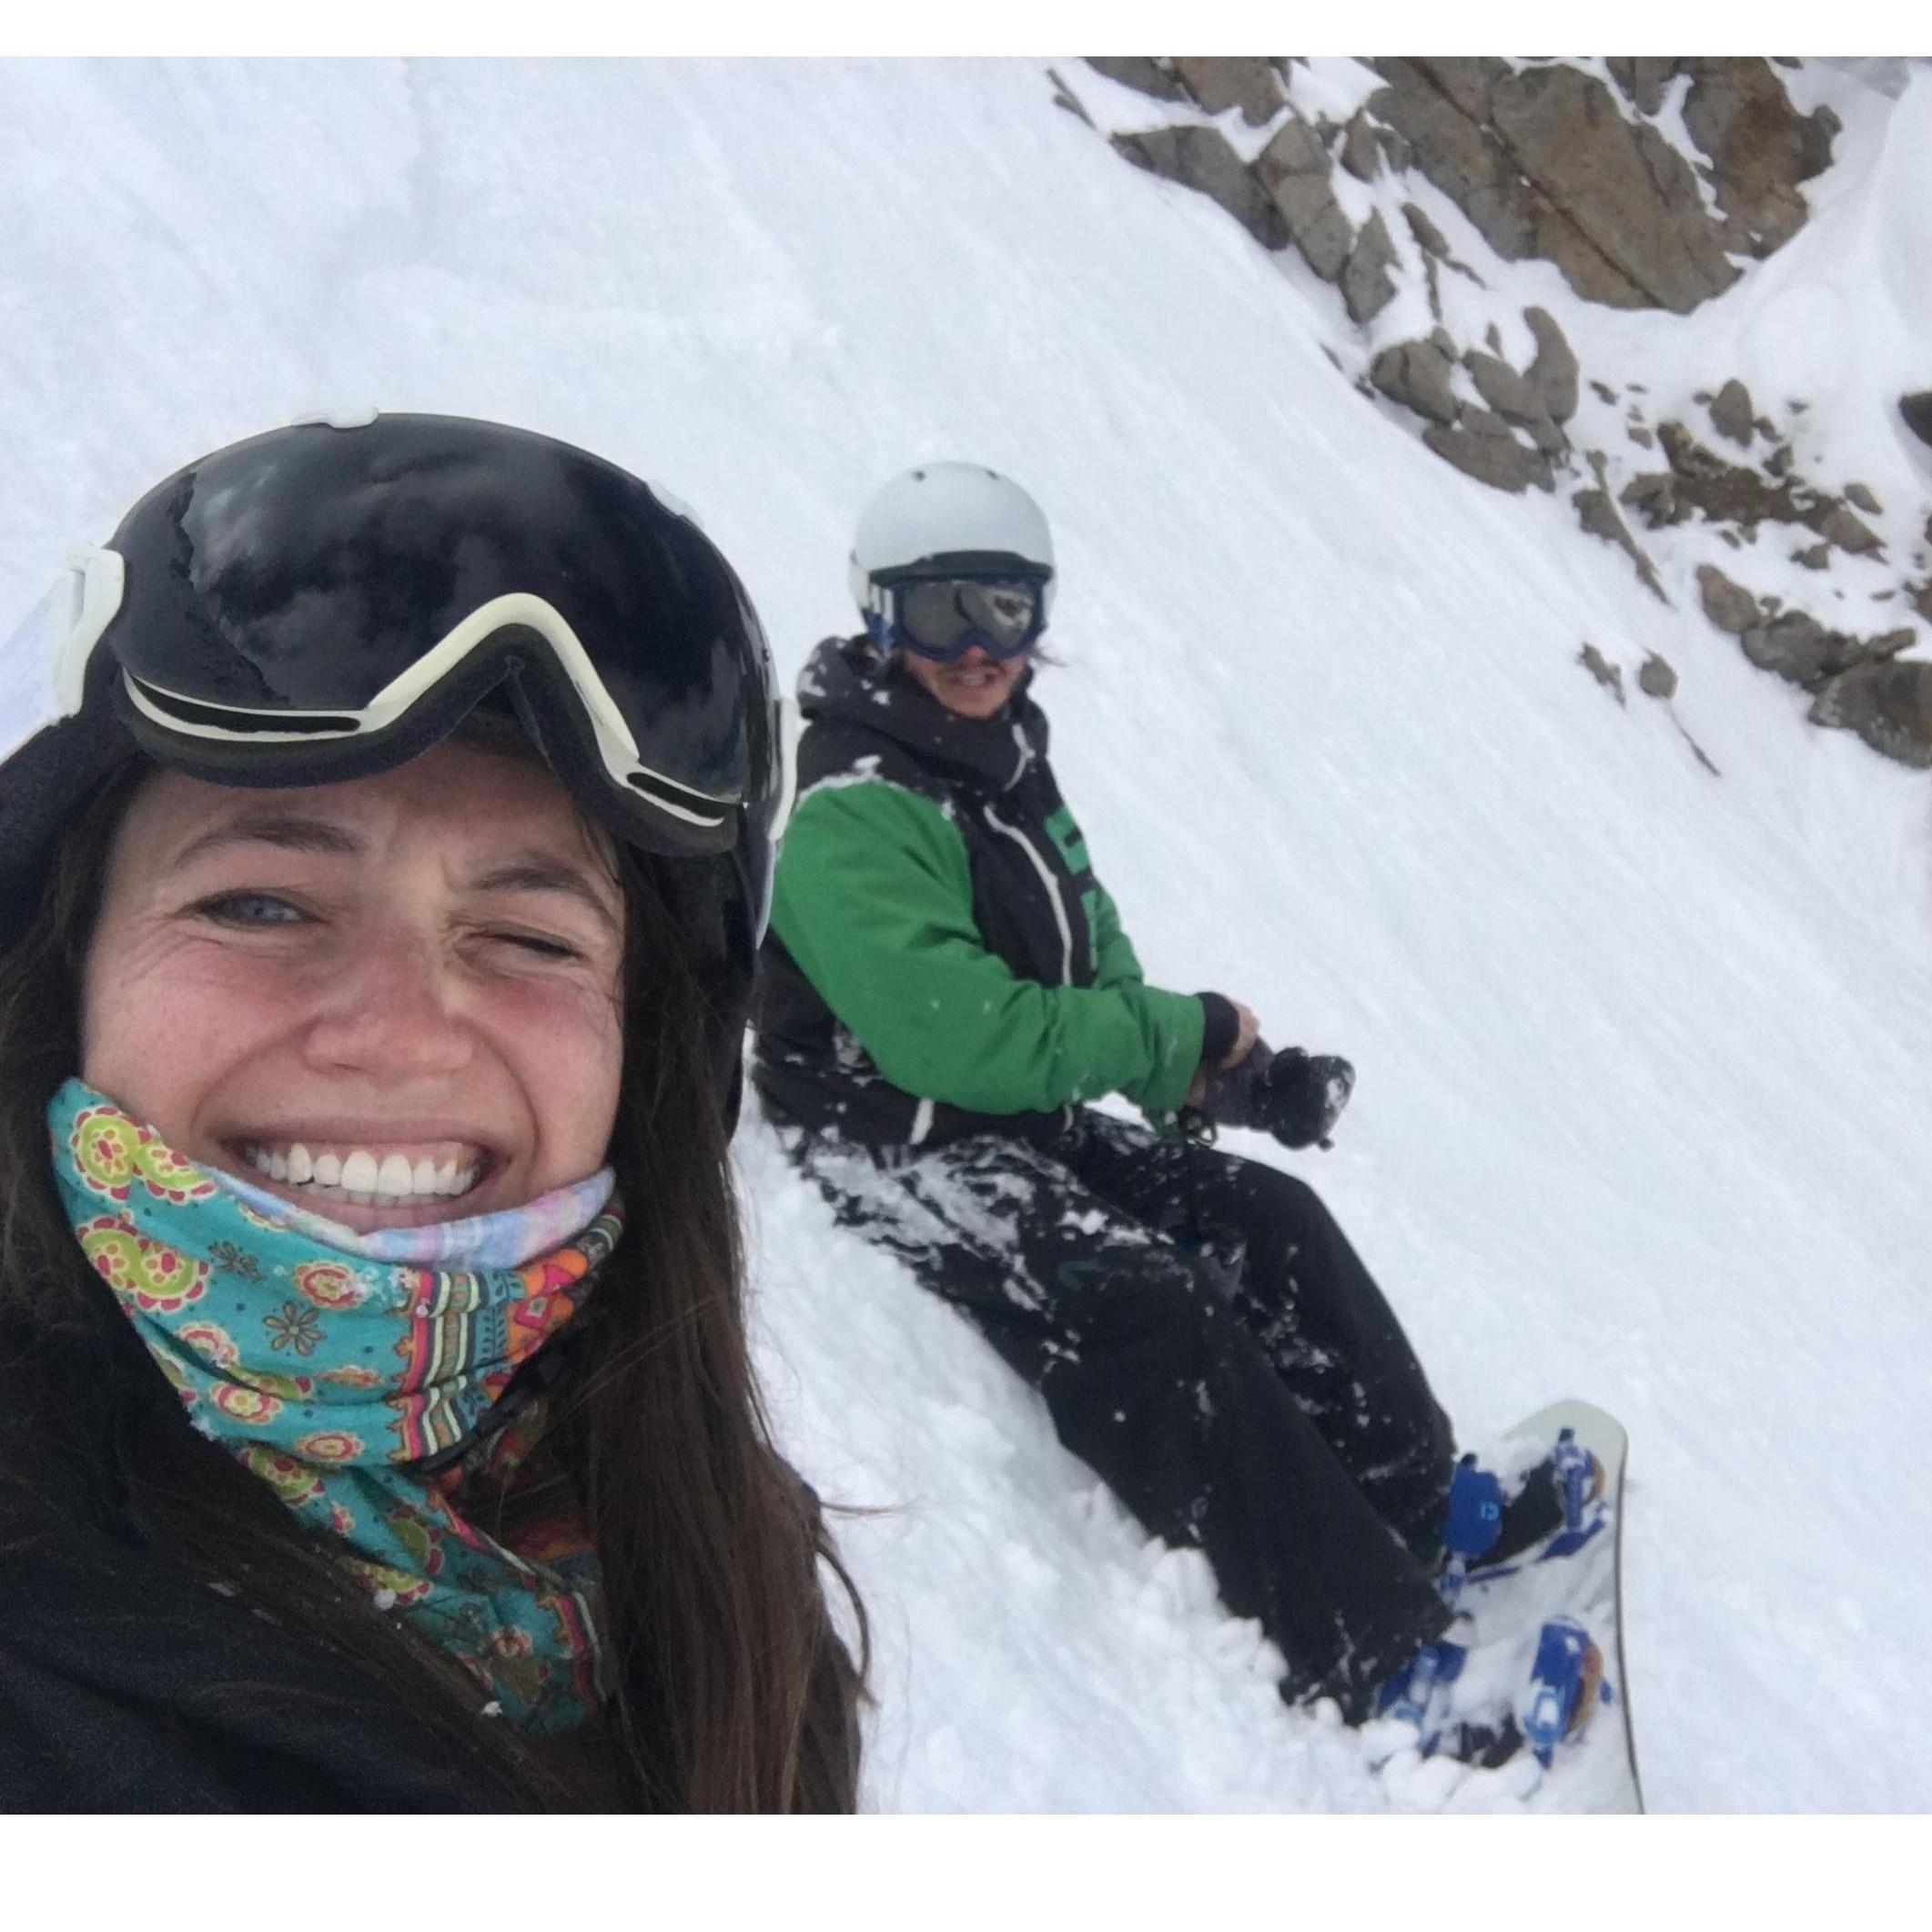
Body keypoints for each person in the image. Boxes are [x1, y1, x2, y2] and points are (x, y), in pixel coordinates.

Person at [0, 413, 864, 1812]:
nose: (399, 1039)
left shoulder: (710, 1561)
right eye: (260, 902)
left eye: (529, 936)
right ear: (66, 973)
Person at [752, 460, 1582, 1745]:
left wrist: (1224, 1076)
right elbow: (961, 1040)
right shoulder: (853, 811)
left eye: (1009, 611)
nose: (979, 647)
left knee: (1269, 1217)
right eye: (939, 615)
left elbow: (1090, 952)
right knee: (1154, 1309)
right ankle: (1373, 1659)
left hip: (1009, 1116)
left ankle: (1422, 1510)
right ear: (878, 618)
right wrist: (1164, 1035)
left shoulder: (998, 761)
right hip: (890, 1142)